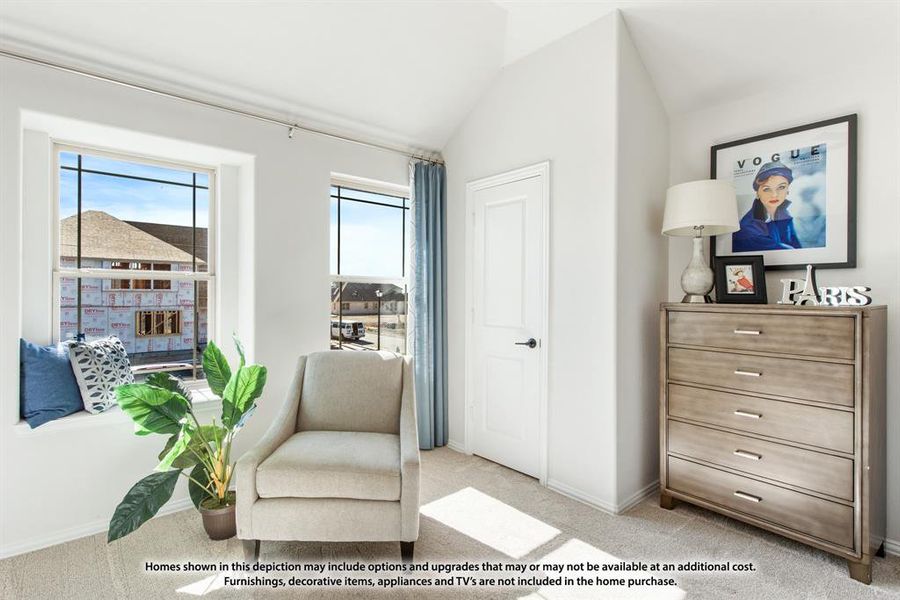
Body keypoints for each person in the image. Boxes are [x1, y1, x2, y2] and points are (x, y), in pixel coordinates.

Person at [732, 160, 801, 252]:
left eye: (781, 187)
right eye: (767, 189)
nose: (774, 195)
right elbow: (790, 253)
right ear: (757, 193)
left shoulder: (784, 214)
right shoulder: (749, 228)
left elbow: (797, 247)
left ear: (787, 190)